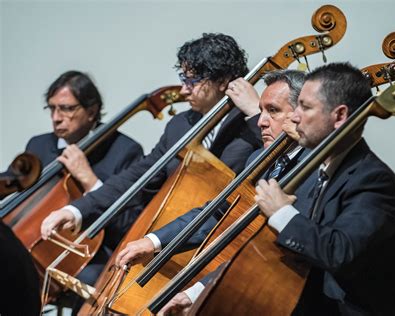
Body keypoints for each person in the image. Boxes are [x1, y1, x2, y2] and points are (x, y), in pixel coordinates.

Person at [160, 63, 395, 316]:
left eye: (306, 107)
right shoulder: (329, 168)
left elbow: (339, 252)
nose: (295, 116)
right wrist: (199, 292)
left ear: (340, 116)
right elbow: (265, 254)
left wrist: (282, 213)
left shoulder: (371, 179)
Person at [40, 34, 262, 307]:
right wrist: (76, 209)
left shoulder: (253, 128)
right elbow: (139, 175)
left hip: (209, 255)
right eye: (184, 78)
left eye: (192, 81)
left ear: (223, 81)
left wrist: (256, 113)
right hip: (159, 255)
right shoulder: (180, 124)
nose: (183, 90)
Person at [114, 69, 305, 268]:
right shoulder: (258, 159)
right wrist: (153, 242)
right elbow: (219, 211)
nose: (260, 122)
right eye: (261, 111)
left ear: (300, 114)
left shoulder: (318, 162)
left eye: (273, 111)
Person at [26, 70, 143, 193]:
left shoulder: (125, 152)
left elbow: (130, 211)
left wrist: (89, 180)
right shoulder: (37, 146)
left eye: (66, 109)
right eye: (52, 108)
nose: (56, 118)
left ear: (91, 112)